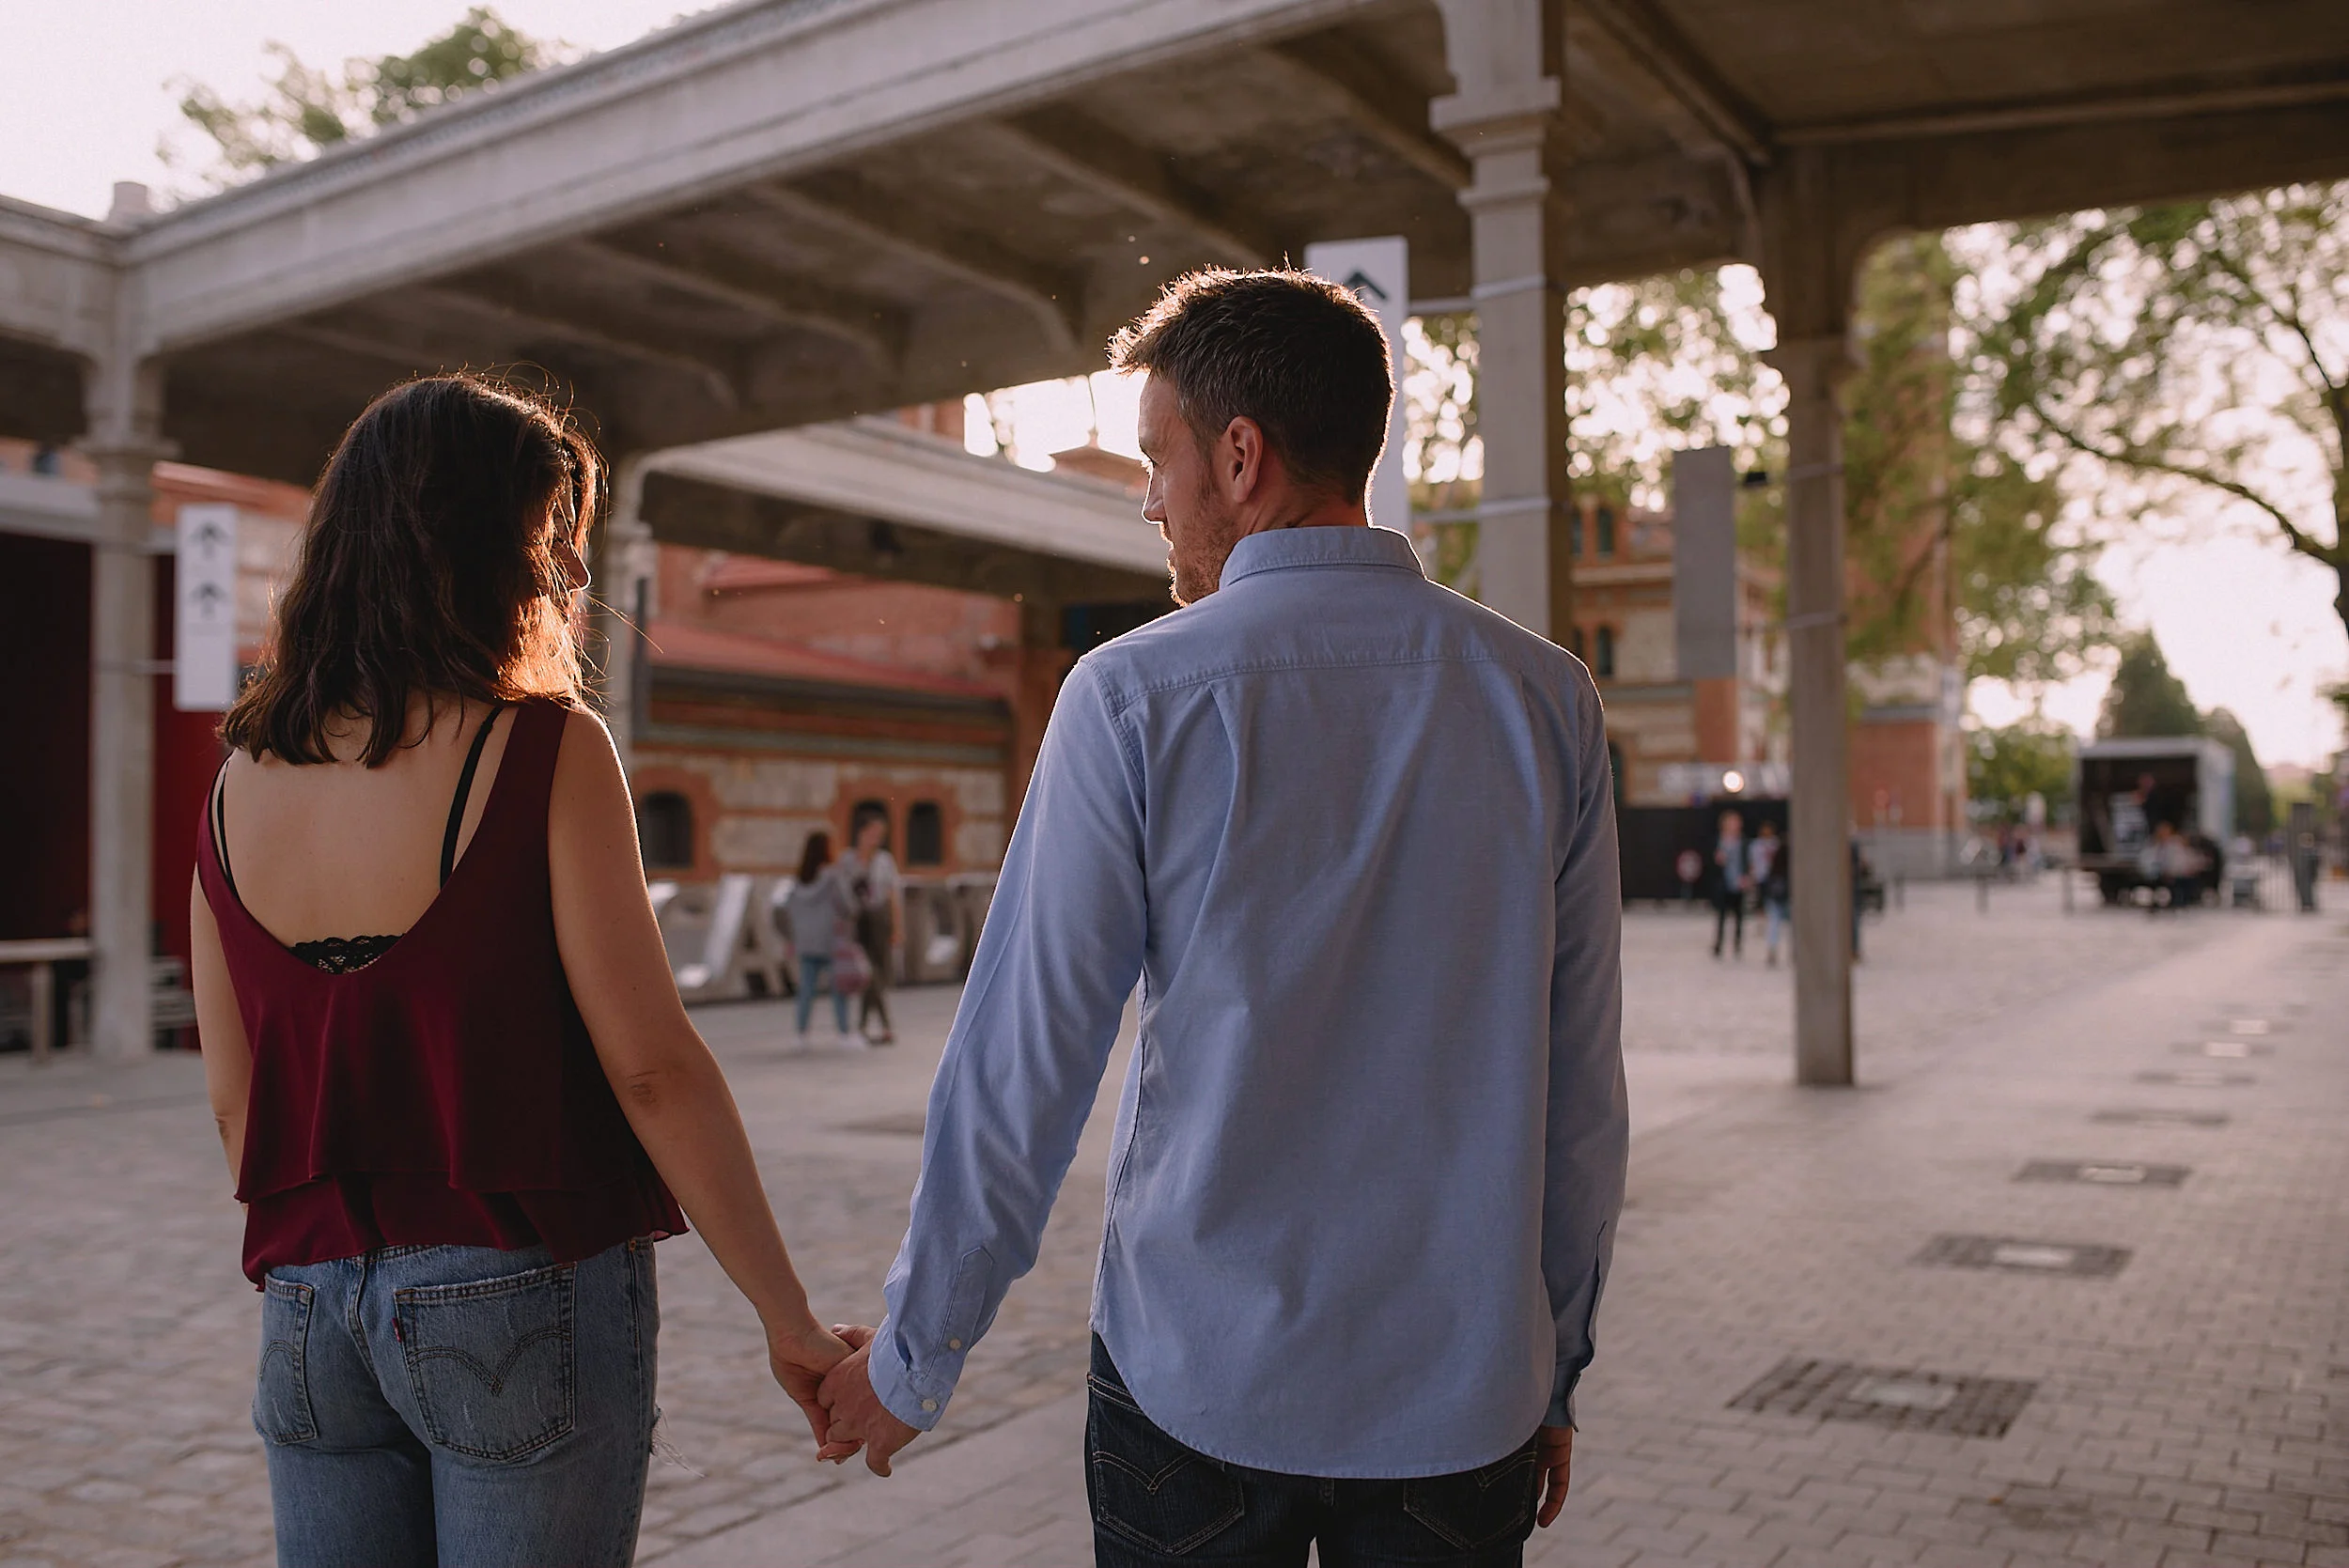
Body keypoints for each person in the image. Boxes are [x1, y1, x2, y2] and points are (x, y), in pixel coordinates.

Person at [815, 269, 1628, 1567]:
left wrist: (913, 1361)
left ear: (1240, 456)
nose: (1146, 499)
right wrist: (1556, 1368)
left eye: (1157, 459)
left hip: (1195, 1384)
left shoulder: (1131, 696)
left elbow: (1023, 1064)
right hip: (1463, 1391)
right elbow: (1581, 1092)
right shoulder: (1547, 702)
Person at [186, 374, 848, 1567]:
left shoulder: (239, 781)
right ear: (473, 547)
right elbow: (650, 1069)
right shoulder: (542, 746)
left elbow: (238, 1100)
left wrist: (345, 1270)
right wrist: (786, 1316)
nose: (572, 581)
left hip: (309, 1309)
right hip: (516, 1287)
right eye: (553, 541)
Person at [786, 831, 858, 1042]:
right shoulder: (832, 876)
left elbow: (788, 909)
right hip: (829, 940)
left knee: (806, 990)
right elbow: (847, 904)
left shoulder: (799, 879)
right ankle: (843, 1032)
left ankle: (801, 1033)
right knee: (839, 989)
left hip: (806, 941)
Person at [836, 815, 901, 1046]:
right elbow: (841, 892)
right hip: (858, 921)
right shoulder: (848, 860)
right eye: (873, 832)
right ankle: (881, 1026)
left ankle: (868, 1026)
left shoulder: (884, 861)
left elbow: (892, 895)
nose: (877, 838)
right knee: (869, 973)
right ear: (861, 833)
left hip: (880, 920)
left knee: (878, 973)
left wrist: (896, 926)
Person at [1711, 808, 1749, 958]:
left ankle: (1737, 944)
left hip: (1738, 882)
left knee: (1739, 916)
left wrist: (1746, 877)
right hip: (1723, 882)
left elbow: (1747, 860)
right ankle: (1718, 943)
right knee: (1721, 915)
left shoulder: (1743, 841)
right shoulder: (1719, 840)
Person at [1754, 820, 1790, 968]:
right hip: (1774, 886)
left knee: (1775, 921)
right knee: (1774, 920)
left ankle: (1774, 949)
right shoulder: (1758, 846)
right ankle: (1775, 949)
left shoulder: (1776, 847)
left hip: (1776, 888)